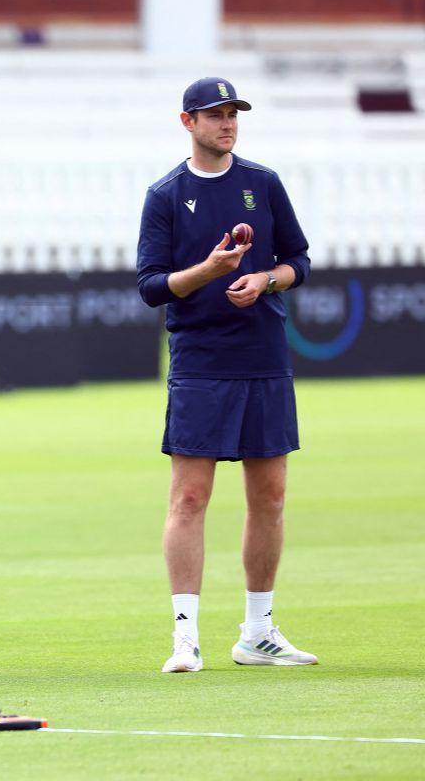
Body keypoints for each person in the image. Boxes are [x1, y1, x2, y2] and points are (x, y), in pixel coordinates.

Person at [136, 78, 318, 673]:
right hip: (201, 361)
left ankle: (258, 632)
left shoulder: (262, 184)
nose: (228, 123)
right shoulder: (166, 194)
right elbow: (152, 286)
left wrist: (267, 280)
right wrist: (210, 271)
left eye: (233, 113)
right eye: (214, 115)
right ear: (187, 122)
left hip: (264, 356)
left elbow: (299, 259)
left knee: (271, 496)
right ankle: (185, 636)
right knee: (190, 497)